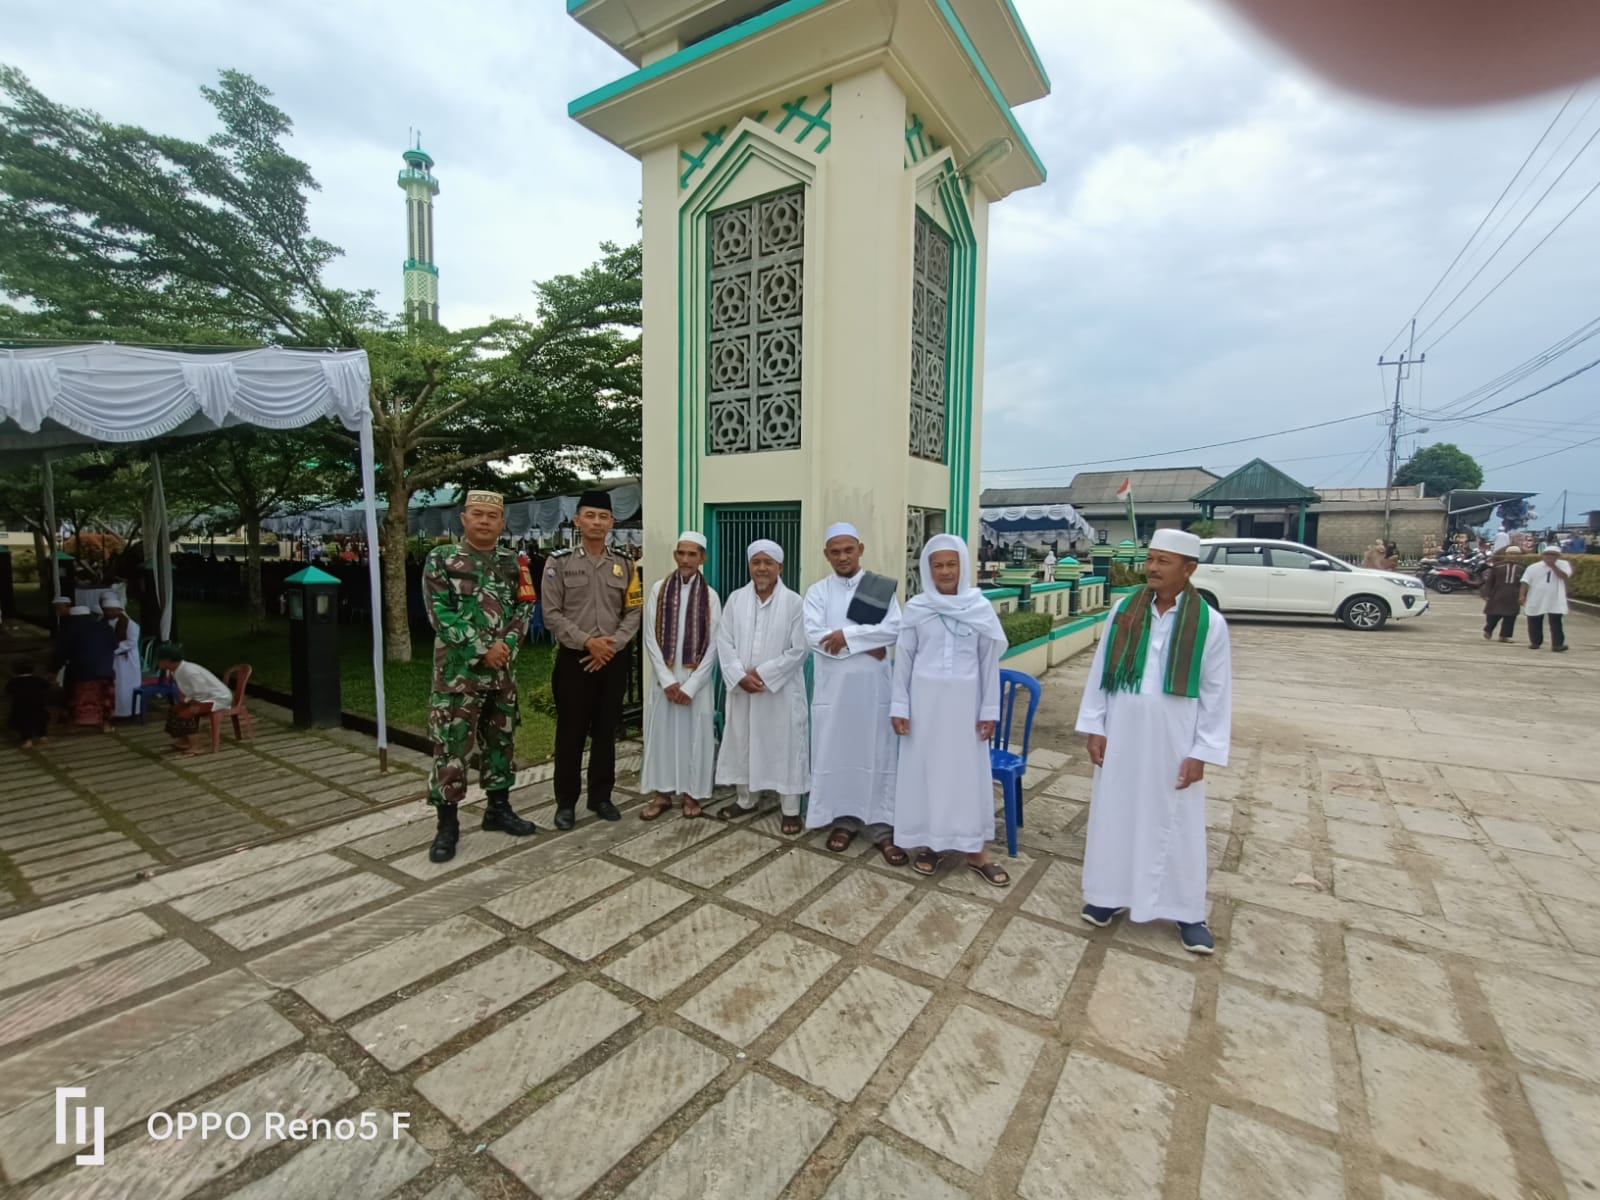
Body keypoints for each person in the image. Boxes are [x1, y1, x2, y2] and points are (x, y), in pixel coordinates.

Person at [1075, 528, 1233, 954]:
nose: (1152, 568)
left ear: (1189, 568)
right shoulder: (1125, 611)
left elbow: (1217, 693)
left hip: (1174, 742)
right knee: (1116, 813)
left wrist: (1202, 751)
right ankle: (1109, 896)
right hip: (1123, 735)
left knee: (1175, 823)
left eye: (1164, 561)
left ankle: (1187, 911)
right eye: (1151, 559)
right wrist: (1095, 725)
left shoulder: (1210, 624)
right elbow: (1099, 673)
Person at [421, 490, 540, 863]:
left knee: (500, 743)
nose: (485, 521)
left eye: (492, 515)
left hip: (502, 674)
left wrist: (504, 645)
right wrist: (482, 648)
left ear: (502, 522)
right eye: (478, 514)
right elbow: (439, 613)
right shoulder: (442, 558)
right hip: (458, 675)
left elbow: (526, 606)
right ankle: (447, 825)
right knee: (452, 747)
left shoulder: (513, 561)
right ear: (464, 518)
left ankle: (498, 809)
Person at [891, 534, 1010, 885]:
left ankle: (975, 850)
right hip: (923, 707)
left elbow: (989, 663)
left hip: (966, 708)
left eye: (951, 564)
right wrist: (900, 706)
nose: (945, 571)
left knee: (965, 776)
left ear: (962, 566)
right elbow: (904, 661)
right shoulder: (917, 608)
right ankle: (930, 844)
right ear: (929, 570)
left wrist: (989, 710)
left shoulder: (979, 607)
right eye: (938, 565)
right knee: (926, 773)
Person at [804, 522, 907, 866]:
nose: (843, 557)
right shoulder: (817, 592)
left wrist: (847, 637)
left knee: (877, 756)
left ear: (860, 549)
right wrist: (867, 642)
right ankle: (843, 821)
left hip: (873, 693)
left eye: (849, 550)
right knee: (838, 756)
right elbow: (814, 636)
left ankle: (881, 827)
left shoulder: (880, 588)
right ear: (826, 555)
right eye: (835, 551)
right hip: (834, 696)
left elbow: (894, 629)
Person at [541, 489, 643, 830]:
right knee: (570, 733)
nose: (597, 522)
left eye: (603, 517)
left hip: (611, 660)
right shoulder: (559, 562)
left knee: (605, 731)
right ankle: (565, 802)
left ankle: (601, 796)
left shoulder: (625, 565)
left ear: (612, 522)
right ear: (578, 520)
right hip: (575, 661)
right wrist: (588, 643)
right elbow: (552, 614)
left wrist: (610, 646)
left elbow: (633, 611)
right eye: (590, 516)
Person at [714, 540, 811, 833]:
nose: (762, 568)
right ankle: (746, 799)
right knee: (743, 740)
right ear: (749, 566)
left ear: (780, 567)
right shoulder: (735, 599)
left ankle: (790, 808)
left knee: (785, 744)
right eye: (756, 562)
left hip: (780, 692)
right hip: (743, 689)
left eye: (768, 562)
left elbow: (799, 649)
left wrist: (764, 673)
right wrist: (738, 674)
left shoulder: (794, 602)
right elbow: (724, 640)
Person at [639, 531, 722, 820]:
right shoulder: (658, 590)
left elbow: (714, 644)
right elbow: (650, 637)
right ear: (675, 555)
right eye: (681, 553)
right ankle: (661, 794)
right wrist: (667, 680)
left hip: (695, 682)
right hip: (666, 680)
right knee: (661, 733)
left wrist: (692, 685)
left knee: (695, 737)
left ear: (703, 558)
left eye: (692, 554)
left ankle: (692, 793)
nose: (685, 559)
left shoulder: (710, 596)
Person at [155, 641, 234, 756]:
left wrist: (192, 705)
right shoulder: (176, 670)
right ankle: (184, 740)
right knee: (175, 709)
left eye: (159, 659)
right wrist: (187, 701)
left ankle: (196, 746)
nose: (157, 662)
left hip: (216, 698)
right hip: (201, 697)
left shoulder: (189, 671)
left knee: (186, 715)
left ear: (167, 661)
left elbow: (201, 691)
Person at [57, 605, 117, 732]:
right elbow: (114, 646)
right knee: (104, 698)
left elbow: (61, 652)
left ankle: (72, 723)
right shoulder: (105, 627)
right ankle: (105, 724)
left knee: (73, 694)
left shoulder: (69, 630)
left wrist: (54, 668)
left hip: (80, 671)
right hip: (104, 669)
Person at [99, 591, 141, 719]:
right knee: (113, 686)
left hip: (126, 661)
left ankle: (130, 711)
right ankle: (113, 712)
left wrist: (112, 649)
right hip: (109, 660)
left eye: (113, 611)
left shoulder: (130, 624)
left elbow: (131, 642)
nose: (110, 613)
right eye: (107, 611)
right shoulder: (101, 622)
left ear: (120, 610)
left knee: (127, 686)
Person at [1521, 545, 1571, 653]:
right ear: (1543, 555)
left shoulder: (1564, 565)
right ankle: (1535, 642)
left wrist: (1553, 566)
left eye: (1553, 554)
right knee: (1534, 619)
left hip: (1555, 598)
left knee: (1556, 621)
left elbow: (1564, 576)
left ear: (1558, 556)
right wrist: (1522, 595)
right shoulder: (1533, 567)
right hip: (1537, 596)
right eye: (1548, 554)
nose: (1550, 556)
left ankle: (1557, 644)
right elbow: (1525, 581)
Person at [1480, 549, 1524, 643]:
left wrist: (1523, 595)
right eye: (1511, 554)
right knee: (1493, 614)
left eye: (1516, 554)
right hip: (1497, 594)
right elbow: (1490, 582)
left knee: (1510, 616)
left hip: (1513, 595)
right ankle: (1488, 630)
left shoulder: (1522, 568)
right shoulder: (1498, 566)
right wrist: (1486, 593)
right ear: (1506, 555)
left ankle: (1504, 636)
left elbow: (1524, 584)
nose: (1513, 556)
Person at [6, 660, 51, 747]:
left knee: (24, 724)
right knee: (41, 721)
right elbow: (47, 685)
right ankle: (43, 737)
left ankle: (28, 740)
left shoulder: (14, 682)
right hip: (38, 705)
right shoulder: (37, 679)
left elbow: (8, 690)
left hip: (22, 706)